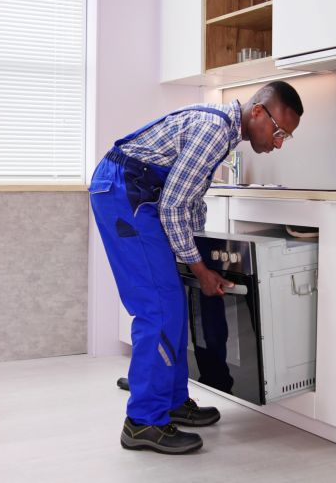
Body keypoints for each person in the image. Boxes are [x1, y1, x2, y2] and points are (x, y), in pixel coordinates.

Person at [88, 81, 304, 455]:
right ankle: (142, 422)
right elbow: (173, 206)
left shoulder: (221, 131)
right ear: (257, 112)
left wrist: (196, 258)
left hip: (136, 194)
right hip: (124, 195)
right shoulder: (214, 130)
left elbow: (188, 202)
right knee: (157, 308)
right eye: (279, 131)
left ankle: (170, 403)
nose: (279, 142)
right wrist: (201, 270)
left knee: (170, 303)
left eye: (286, 136)